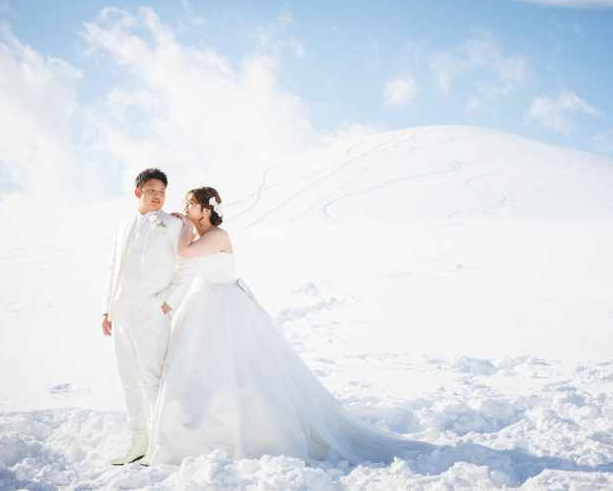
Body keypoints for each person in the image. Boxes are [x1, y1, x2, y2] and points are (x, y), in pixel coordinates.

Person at [146, 186, 435, 466]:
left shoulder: (219, 235)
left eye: (190, 204)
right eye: (185, 204)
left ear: (206, 209)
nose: (185, 208)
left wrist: (182, 224)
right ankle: (199, 433)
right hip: (202, 305)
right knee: (198, 368)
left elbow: (184, 252)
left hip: (224, 305)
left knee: (241, 368)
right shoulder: (201, 235)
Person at [101, 168, 196, 466]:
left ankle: (161, 445)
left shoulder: (173, 224)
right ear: (138, 192)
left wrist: (167, 304)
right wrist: (108, 308)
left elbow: (188, 266)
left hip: (152, 312)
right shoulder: (122, 226)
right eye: (152, 190)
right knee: (129, 380)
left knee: (152, 380)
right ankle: (138, 443)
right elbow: (112, 268)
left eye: (162, 191)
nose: (158, 195)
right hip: (121, 313)